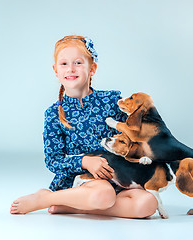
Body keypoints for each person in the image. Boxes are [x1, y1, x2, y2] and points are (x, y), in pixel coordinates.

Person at [10, 35, 158, 218]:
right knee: (103, 193)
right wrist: (85, 161)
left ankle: (72, 207)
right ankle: (46, 198)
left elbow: (131, 134)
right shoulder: (53, 113)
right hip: (83, 180)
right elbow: (53, 160)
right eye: (64, 64)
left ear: (92, 69)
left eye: (78, 63)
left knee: (148, 203)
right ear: (56, 70)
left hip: (118, 177)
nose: (71, 69)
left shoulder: (111, 101)